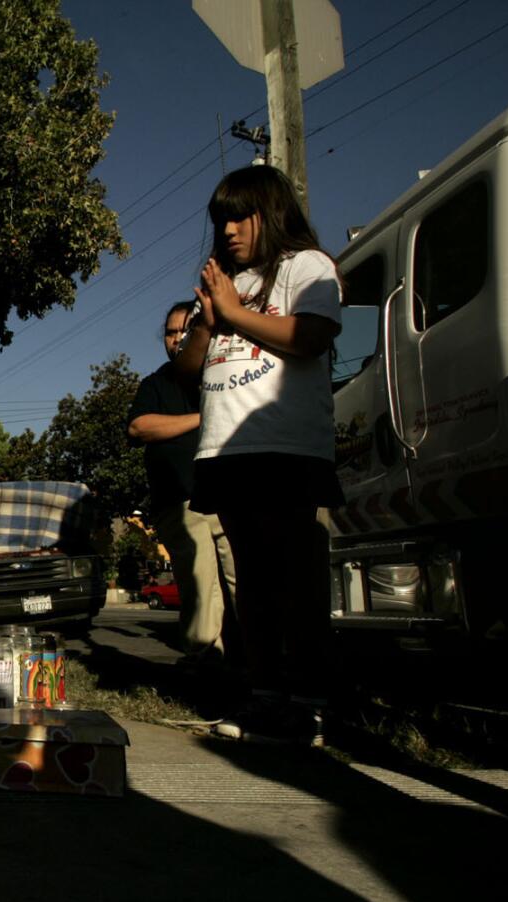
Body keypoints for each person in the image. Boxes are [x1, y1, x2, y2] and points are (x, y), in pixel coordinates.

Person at [173, 165, 343, 746]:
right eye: (220, 221)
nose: (228, 231)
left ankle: (310, 707)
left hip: (286, 447)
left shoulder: (307, 267)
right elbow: (189, 366)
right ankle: (266, 698)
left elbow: (310, 338)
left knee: (296, 580)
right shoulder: (230, 284)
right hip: (228, 451)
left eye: (239, 217)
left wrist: (236, 313)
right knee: (254, 584)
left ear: (269, 213)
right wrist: (209, 321)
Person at [128, 301, 237, 668]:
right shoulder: (156, 383)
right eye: (170, 332)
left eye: (184, 330)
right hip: (179, 499)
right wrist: (201, 417)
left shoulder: (222, 374)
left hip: (228, 494)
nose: (176, 339)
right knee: (200, 584)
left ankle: (259, 661)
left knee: (243, 579)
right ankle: (206, 659)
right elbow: (140, 427)